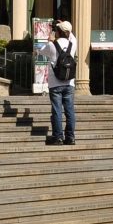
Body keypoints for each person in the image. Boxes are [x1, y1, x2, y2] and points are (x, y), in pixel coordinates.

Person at [44, 17, 78, 146]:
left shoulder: (51, 45)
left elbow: (39, 51)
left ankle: (58, 137)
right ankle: (70, 138)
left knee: (57, 111)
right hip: (69, 83)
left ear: (57, 32)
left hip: (55, 84)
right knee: (69, 111)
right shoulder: (73, 44)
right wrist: (64, 26)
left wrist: (49, 40)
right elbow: (72, 36)